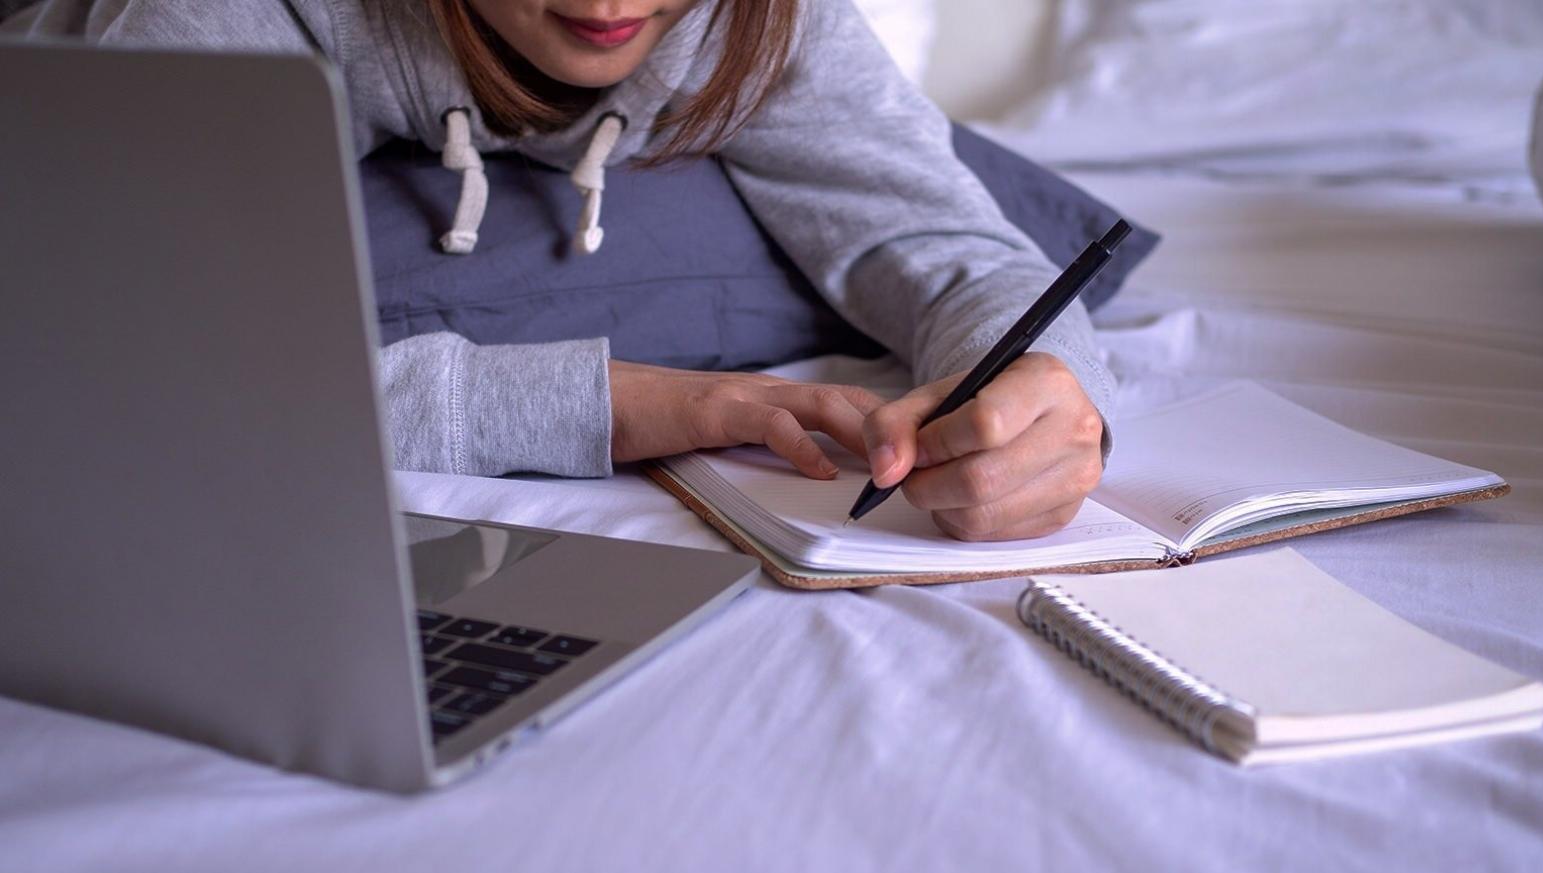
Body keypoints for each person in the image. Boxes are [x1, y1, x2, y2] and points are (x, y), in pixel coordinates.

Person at [4, 0, 1114, 542]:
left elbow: (940, 247)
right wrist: (622, 403)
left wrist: (1048, 392)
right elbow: (111, 364)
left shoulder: (760, 20)